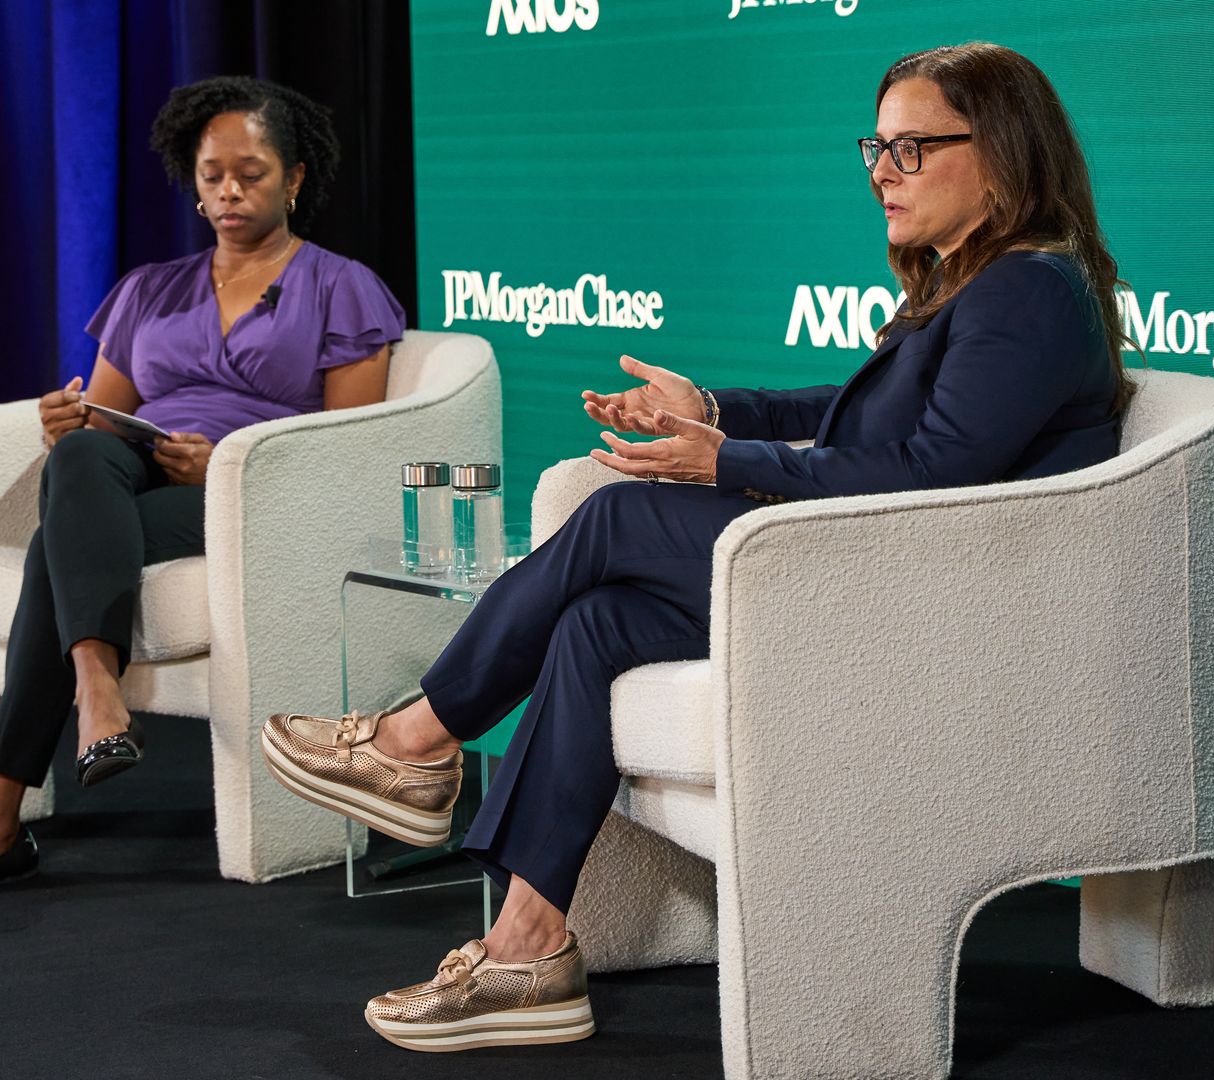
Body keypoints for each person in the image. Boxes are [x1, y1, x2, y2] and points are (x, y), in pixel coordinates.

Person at [260, 42, 1138, 1050]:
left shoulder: (1030, 289)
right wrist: (712, 408)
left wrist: (725, 460)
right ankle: (526, 947)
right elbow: (857, 413)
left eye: (911, 149)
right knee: (596, 624)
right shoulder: (975, 278)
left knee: (617, 517)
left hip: (923, 596)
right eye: (875, 148)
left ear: (1003, 152)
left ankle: (416, 741)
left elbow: (935, 472)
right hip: (877, 565)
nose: (882, 173)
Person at [0, 76, 406, 899]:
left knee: (56, 550)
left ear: (295, 178)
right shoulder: (149, 290)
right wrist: (65, 422)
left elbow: (347, 446)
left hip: (251, 491)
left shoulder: (341, 287)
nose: (229, 192)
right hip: (137, 471)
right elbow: (101, 421)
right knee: (78, 460)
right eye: (212, 175)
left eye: (251, 174)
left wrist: (226, 459)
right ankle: (97, 690)